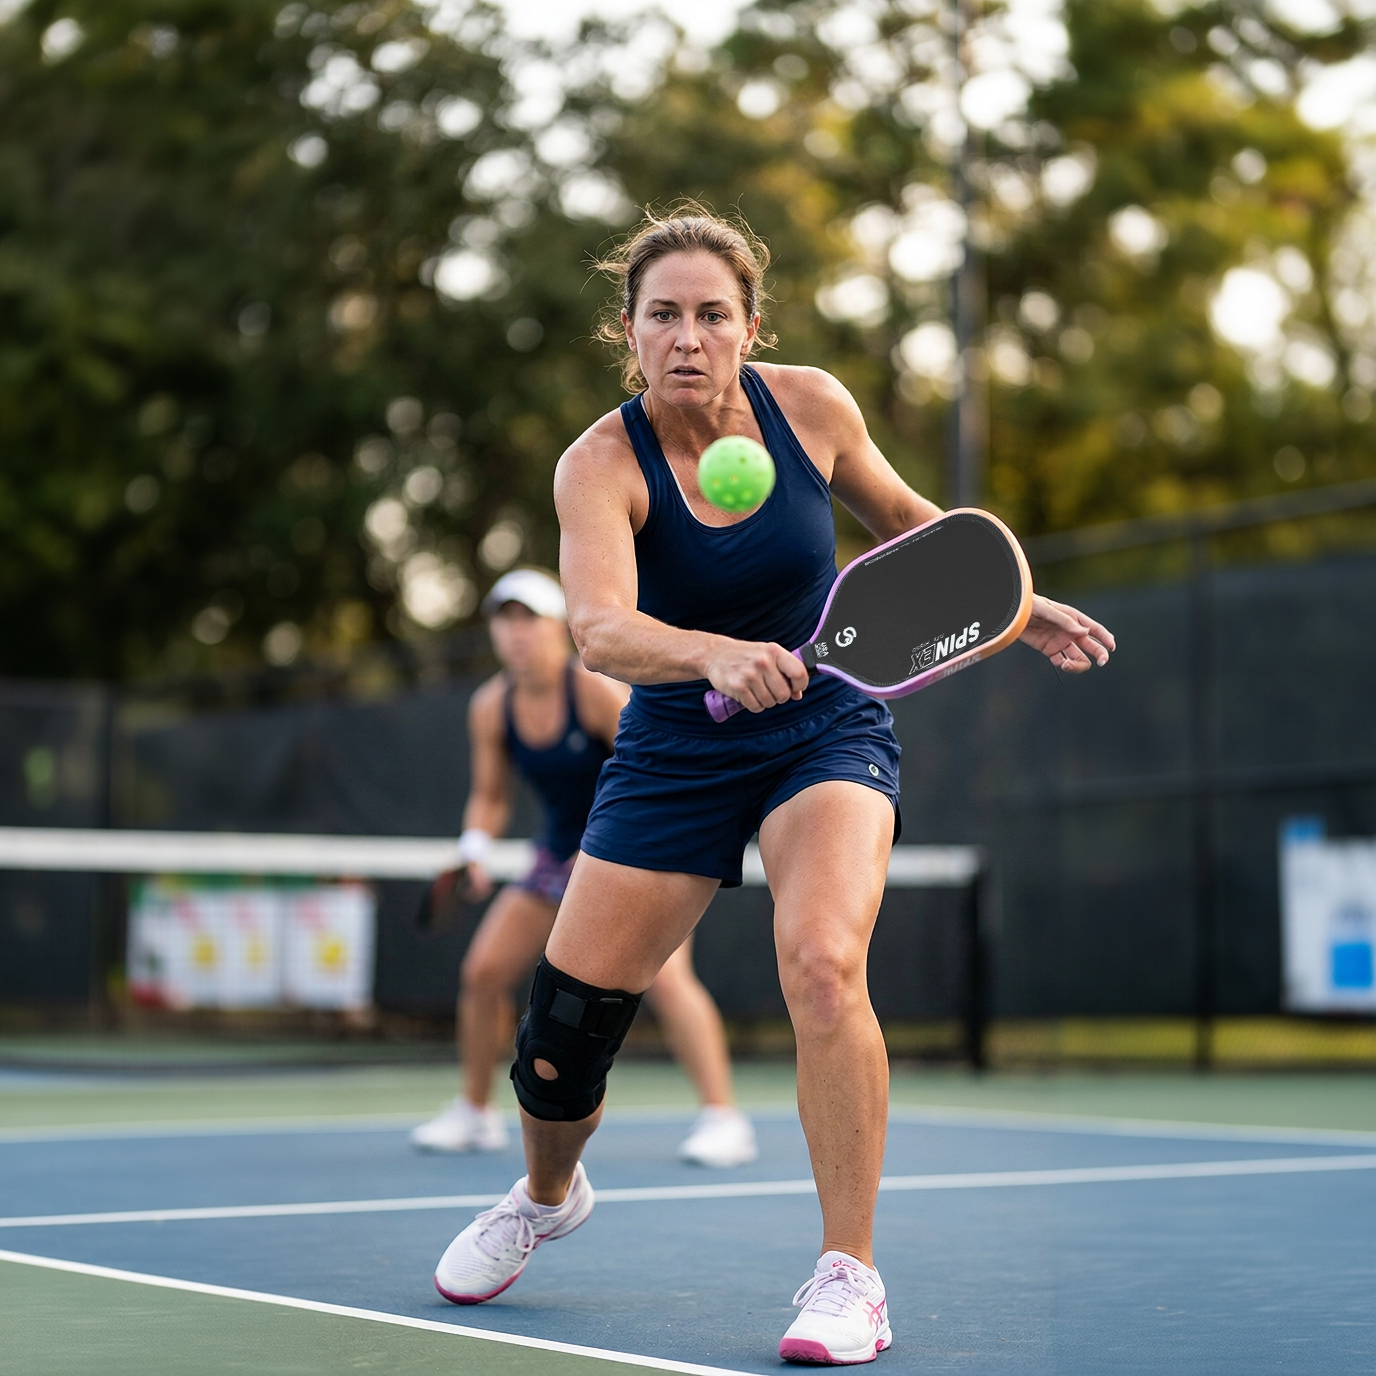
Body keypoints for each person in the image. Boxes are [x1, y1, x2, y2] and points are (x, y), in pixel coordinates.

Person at [431, 208, 1115, 1360]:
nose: (687, 336)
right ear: (628, 333)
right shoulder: (598, 464)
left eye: (711, 313)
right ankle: (547, 1194)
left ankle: (848, 1275)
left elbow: (911, 532)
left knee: (821, 958)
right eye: (664, 315)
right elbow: (597, 625)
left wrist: (1013, 605)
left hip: (826, 724)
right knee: (560, 1037)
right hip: (673, 743)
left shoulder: (812, 407)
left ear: (749, 325)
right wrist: (707, 653)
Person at [412, 566, 757, 1169]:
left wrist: (603, 843)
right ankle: (475, 1112)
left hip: (639, 848)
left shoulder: (595, 692)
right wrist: (473, 849)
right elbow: (491, 797)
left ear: (559, 630)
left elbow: (650, 761)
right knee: (483, 971)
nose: (516, 634)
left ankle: (724, 1119)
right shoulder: (491, 707)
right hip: (554, 858)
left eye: (530, 620)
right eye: (505, 620)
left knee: (671, 983)